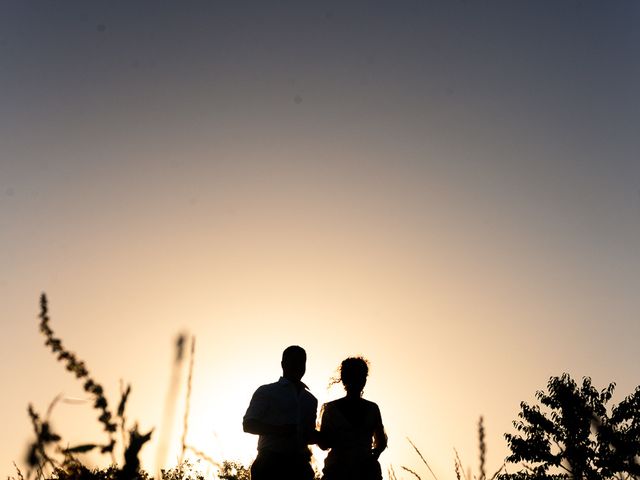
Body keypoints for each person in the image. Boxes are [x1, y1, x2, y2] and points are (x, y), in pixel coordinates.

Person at [243, 345, 319, 480]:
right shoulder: (266, 391)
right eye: (293, 361)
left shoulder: (311, 400)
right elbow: (248, 424)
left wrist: (321, 438)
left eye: (301, 362)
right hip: (269, 464)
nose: (298, 366)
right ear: (283, 364)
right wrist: (279, 430)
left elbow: (308, 435)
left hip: (300, 466)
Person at [318, 357, 387, 480]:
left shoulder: (331, 408)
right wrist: (371, 456)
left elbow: (324, 444)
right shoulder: (372, 408)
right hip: (355, 471)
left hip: (342, 471)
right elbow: (381, 442)